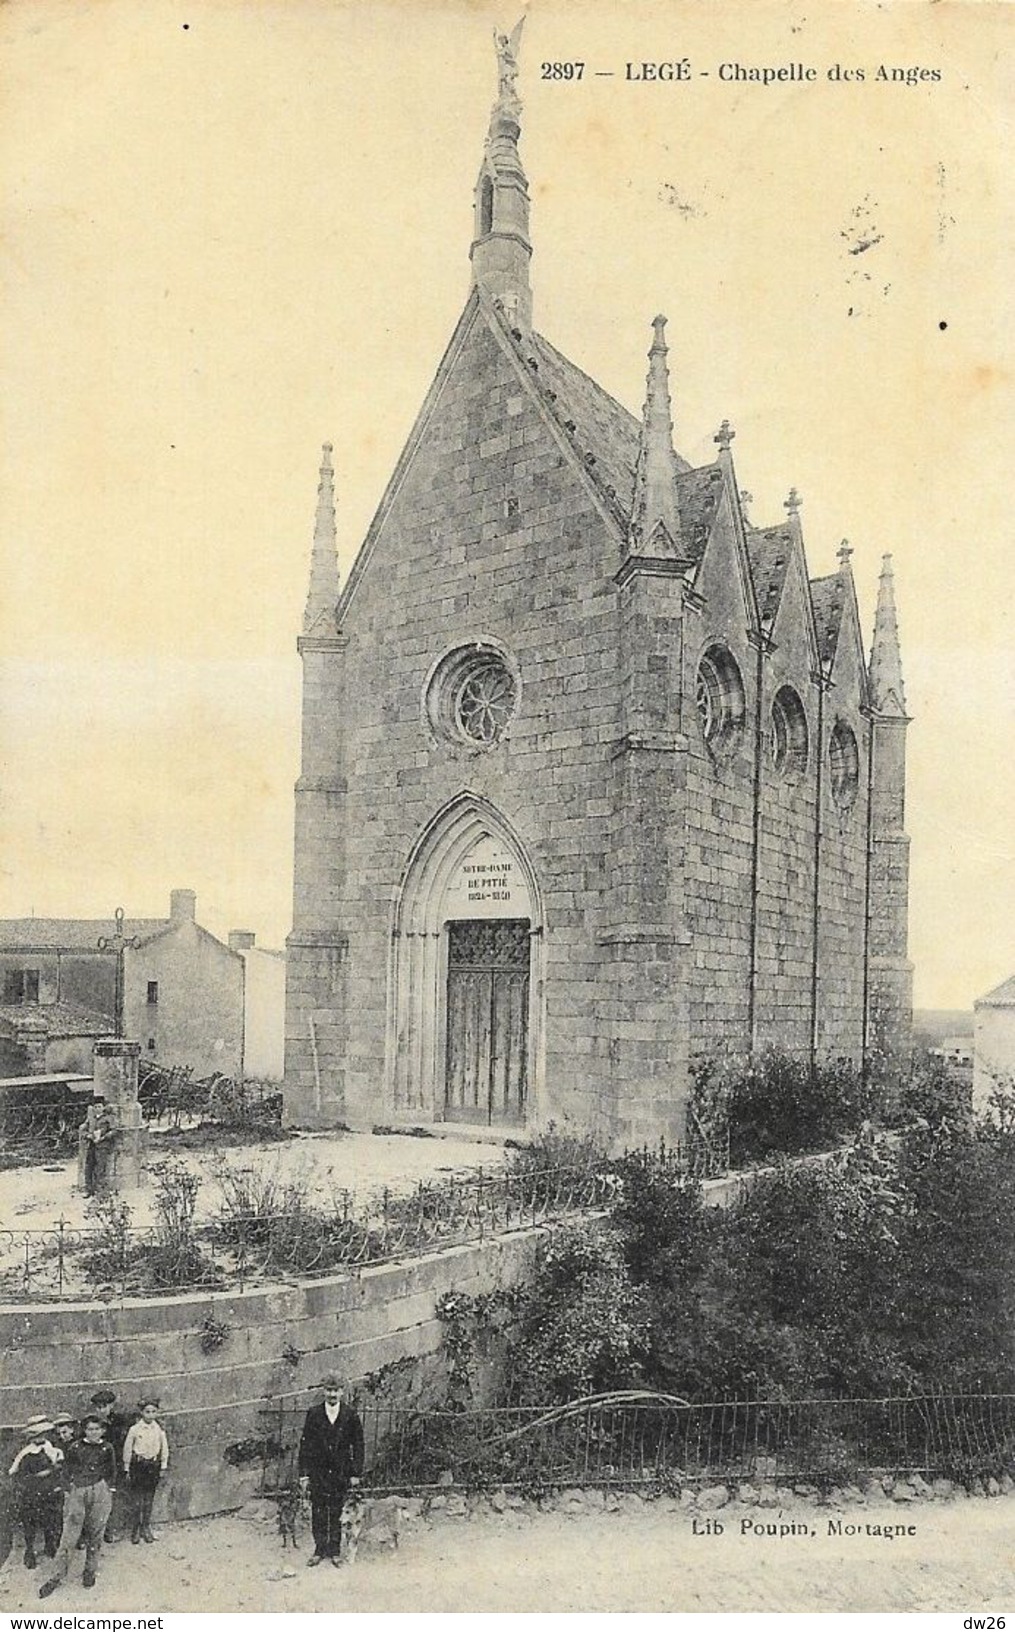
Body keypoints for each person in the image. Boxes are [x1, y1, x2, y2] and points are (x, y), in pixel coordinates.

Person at [38, 1414, 117, 1597]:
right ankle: (56, 1576)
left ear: (102, 1430)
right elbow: (67, 1470)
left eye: (97, 1429)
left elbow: (112, 1470)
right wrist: (69, 1490)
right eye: (90, 1429)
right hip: (78, 1492)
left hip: (99, 1490)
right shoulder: (75, 1447)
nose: (94, 1432)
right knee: (69, 1535)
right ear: (84, 1430)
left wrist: (108, 1488)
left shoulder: (107, 1448)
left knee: (95, 1532)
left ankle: (89, 1571)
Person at [297, 1375, 364, 1568]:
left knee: (336, 1510)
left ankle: (334, 1551)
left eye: (335, 1390)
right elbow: (305, 1445)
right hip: (318, 1471)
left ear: (342, 1391)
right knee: (318, 1510)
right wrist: (304, 1473)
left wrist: (355, 1473)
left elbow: (358, 1444)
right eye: (328, 1390)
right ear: (323, 1391)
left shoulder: (350, 1414)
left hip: (340, 1472)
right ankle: (319, 1550)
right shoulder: (314, 1413)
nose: (332, 1394)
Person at [8, 1416, 63, 1570]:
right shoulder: (26, 1453)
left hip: (49, 1490)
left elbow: (58, 1463)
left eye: (43, 1434)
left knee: (49, 1520)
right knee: (30, 1522)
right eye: (37, 1435)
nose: (41, 1438)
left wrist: (55, 1471)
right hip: (31, 1492)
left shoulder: (50, 1447)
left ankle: (49, 1545)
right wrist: (46, 1472)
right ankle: (30, 1551)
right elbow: (20, 1473)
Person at [122, 1398, 169, 1545]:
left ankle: (146, 1527)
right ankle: (135, 1528)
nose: (150, 1415)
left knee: (149, 1499)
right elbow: (128, 1448)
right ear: (141, 1412)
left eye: (153, 1412)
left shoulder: (159, 1429)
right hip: (138, 1466)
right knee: (137, 1500)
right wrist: (126, 1467)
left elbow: (164, 1448)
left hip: (152, 1466)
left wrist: (163, 1466)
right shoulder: (135, 1429)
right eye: (147, 1412)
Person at [86, 1389, 129, 1543]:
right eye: (98, 1407)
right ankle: (97, 1532)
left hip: (115, 1464)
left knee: (114, 1498)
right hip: (99, 1466)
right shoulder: (93, 1424)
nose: (101, 1410)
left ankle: (111, 1530)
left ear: (112, 1405)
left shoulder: (119, 1422)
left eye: (104, 1406)